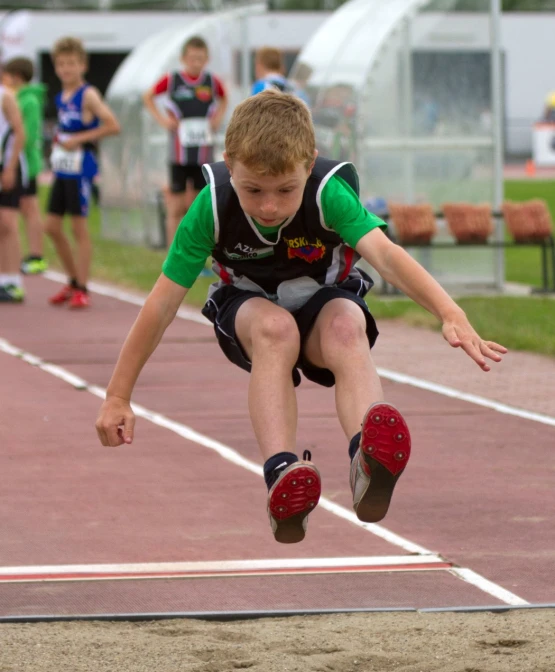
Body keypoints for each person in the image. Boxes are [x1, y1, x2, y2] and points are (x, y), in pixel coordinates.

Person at [95, 91, 507, 545]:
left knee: (346, 325)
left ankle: (367, 462)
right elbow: (161, 305)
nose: (269, 207)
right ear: (229, 163)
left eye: (285, 190)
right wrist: (118, 395)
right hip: (249, 310)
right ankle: (281, 476)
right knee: (276, 329)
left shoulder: (329, 193)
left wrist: (449, 312)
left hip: (322, 302)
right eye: (253, 190)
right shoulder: (211, 208)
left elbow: (386, 257)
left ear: (308, 165)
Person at [45, 36, 120, 309]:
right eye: (61, 64)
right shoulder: (60, 95)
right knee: (51, 226)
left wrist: (80, 139)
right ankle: (73, 279)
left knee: (79, 228)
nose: (66, 69)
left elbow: (113, 125)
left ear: (83, 65)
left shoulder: (88, 94)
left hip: (81, 169)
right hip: (63, 169)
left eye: (72, 64)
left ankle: (82, 287)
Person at [142, 35, 227, 248]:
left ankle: (197, 252)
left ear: (206, 59)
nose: (195, 63)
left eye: (200, 58)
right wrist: (162, 119)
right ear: (183, 59)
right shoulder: (172, 80)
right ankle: (172, 253)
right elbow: (148, 96)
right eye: (192, 58)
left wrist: (217, 118)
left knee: (199, 206)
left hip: (203, 154)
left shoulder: (211, 81)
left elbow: (224, 98)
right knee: (176, 206)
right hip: (178, 154)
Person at [2, 56, 48, 276]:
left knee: (30, 209)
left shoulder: (28, 100)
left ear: (17, 77)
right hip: (21, 160)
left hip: (26, 162)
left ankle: (36, 256)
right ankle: (28, 255)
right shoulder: (19, 97)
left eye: (8, 76)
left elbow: (26, 134)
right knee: (23, 209)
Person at [0, 84, 25, 303]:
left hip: (6, 166)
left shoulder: (5, 96)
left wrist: (10, 167)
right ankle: (2, 279)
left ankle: (13, 281)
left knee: (7, 223)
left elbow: (19, 132)